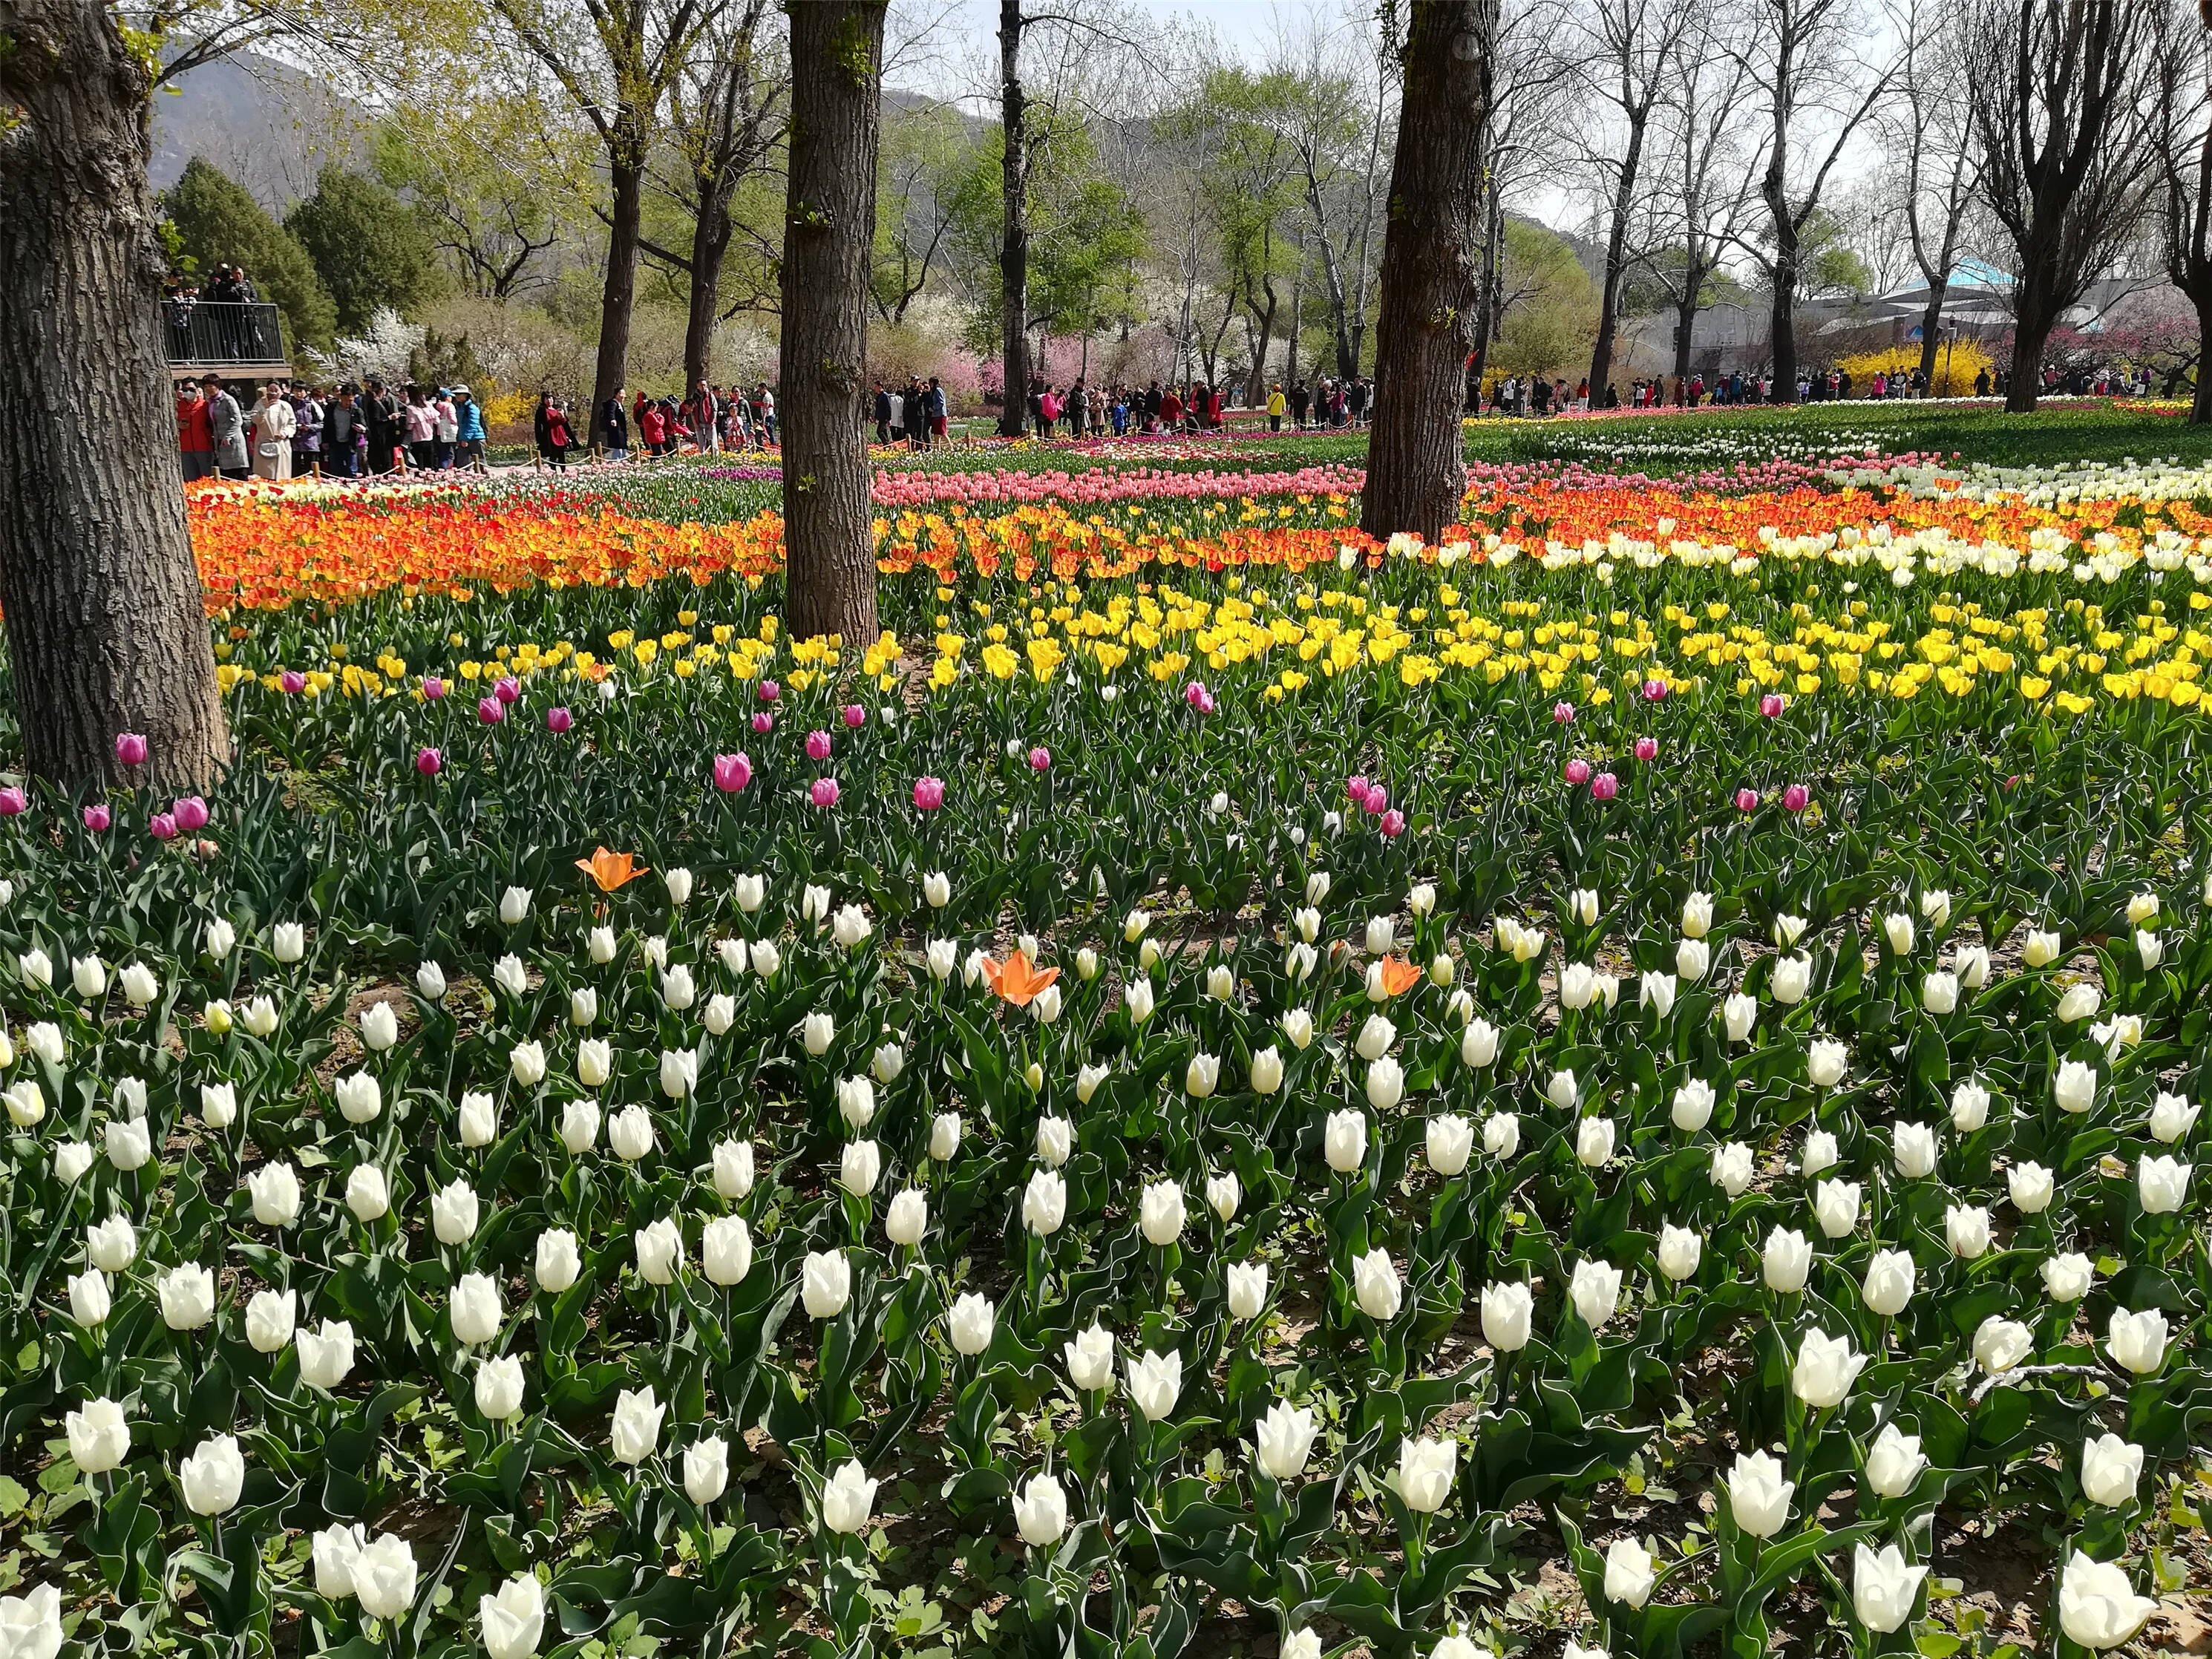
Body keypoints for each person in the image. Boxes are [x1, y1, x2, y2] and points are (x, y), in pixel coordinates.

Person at [249, 381, 297, 480]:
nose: (274, 393)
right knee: (265, 475)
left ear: (281, 392)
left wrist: (285, 433)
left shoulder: (286, 406)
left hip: (282, 443)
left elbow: (292, 424)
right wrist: (265, 409)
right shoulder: (260, 404)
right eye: (271, 391)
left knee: (282, 476)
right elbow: (255, 420)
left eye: (276, 390)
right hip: (264, 442)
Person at [204, 374, 248, 479]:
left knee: (238, 473)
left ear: (217, 386)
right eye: (206, 387)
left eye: (211, 386)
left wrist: (228, 436)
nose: (208, 389)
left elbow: (238, 420)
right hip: (220, 440)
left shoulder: (228, 399)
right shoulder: (210, 401)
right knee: (225, 474)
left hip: (233, 440)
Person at [177, 379, 216, 482]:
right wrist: (178, 425)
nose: (188, 392)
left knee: (207, 480)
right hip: (185, 449)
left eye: (191, 389)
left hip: (203, 448)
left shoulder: (205, 405)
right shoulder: (177, 406)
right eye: (185, 389)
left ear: (198, 390)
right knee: (190, 481)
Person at [454, 385, 488, 474]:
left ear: (465, 395)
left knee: (481, 463)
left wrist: (465, 438)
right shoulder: (460, 407)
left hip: (476, 438)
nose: (456, 396)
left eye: (459, 394)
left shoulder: (472, 408)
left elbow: (473, 425)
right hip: (464, 438)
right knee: (462, 464)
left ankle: (485, 481)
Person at [404, 385, 439, 471]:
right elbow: (437, 421)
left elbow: (410, 427)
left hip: (417, 440)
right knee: (429, 466)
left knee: (420, 466)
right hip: (430, 438)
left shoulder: (411, 408)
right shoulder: (429, 405)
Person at [293, 384, 324, 479]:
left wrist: (310, 427)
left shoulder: (312, 405)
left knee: (311, 470)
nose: (298, 394)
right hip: (295, 442)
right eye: (296, 391)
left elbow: (322, 423)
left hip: (310, 442)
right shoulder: (290, 405)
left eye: (301, 391)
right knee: (296, 470)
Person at [433, 387, 458, 469]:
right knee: (449, 453)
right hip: (449, 433)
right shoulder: (450, 406)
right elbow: (453, 419)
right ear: (447, 397)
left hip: (439, 431)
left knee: (442, 452)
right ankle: (445, 468)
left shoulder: (437, 405)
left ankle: (440, 468)